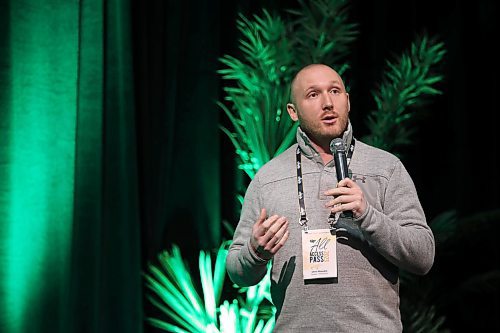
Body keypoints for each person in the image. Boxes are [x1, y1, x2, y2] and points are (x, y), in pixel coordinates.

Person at [225, 63, 435, 332]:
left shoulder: (386, 168)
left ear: (347, 101)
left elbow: (423, 256)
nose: (327, 102)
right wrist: (255, 253)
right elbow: (236, 271)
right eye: (313, 94)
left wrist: (368, 216)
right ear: (293, 112)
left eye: (335, 91)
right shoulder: (268, 178)